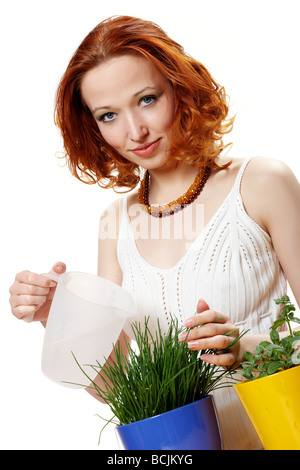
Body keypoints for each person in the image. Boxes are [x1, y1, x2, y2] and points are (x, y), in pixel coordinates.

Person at [9, 16, 300, 450]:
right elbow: (123, 391)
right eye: (108, 115)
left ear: (180, 88)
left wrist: (248, 346)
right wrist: (59, 317)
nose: (134, 131)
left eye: (146, 99)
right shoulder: (115, 223)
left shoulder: (261, 183)